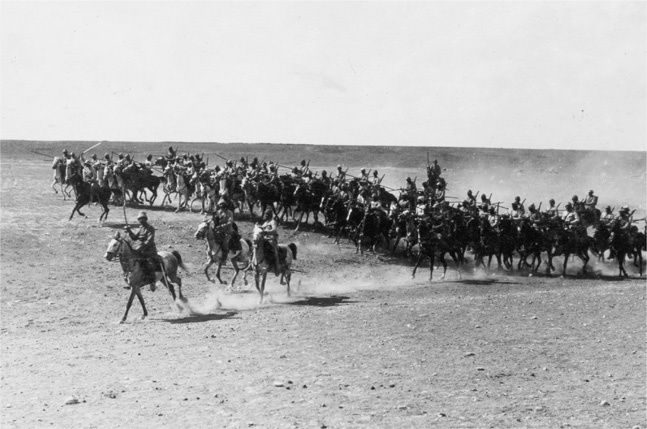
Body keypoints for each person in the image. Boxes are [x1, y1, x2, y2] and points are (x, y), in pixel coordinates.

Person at [124, 211, 159, 290]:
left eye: (143, 219)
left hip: (149, 250)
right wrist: (129, 231)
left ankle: (152, 282)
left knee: (149, 263)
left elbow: (149, 241)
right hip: (141, 250)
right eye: (140, 219)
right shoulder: (141, 228)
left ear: (146, 219)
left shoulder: (150, 228)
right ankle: (133, 280)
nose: (141, 221)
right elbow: (134, 238)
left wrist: (139, 248)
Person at [259, 209, 281, 275]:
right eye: (265, 214)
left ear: (269, 215)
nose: (265, 216)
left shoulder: (273, 221)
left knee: (274, 252)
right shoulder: (266, 222)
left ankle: (277, 267)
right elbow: (261, 228)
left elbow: (274, 230)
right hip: (264, 240)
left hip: (271, 240)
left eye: (266, 214)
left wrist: (266, 232)